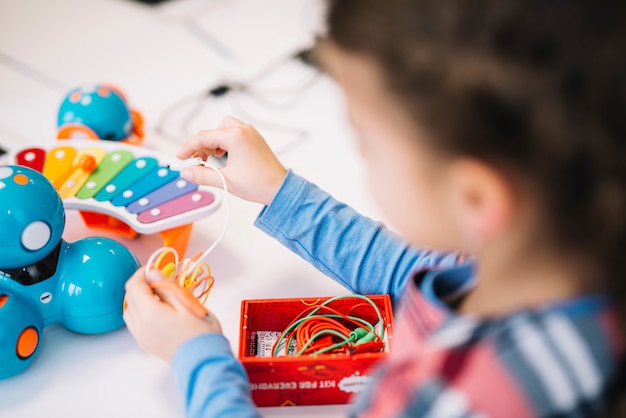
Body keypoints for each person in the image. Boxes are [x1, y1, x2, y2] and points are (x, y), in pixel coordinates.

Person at [122, 0, 626, 416]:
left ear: (475, 197)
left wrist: (197, 358)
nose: (360, 152)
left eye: (366, 140)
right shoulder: (556, 260)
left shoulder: (448, 398)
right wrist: (280, 192)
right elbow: (419, 277)